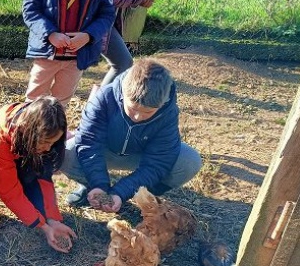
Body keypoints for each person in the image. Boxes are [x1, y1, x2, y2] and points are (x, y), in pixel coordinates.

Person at [60, 58, 202, 213]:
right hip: (106, 151)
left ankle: (143, 195)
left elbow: (159, 161)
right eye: (133, 109)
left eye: (147, 112)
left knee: (189, 161)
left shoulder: (168, 113)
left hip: (140, 155)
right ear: (123, 93)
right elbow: (89, 144)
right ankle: (90, 187)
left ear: (161, 104)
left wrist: (121, 193)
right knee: (65, 152)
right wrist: (99, 184)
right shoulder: (104, 98)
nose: (137, 117)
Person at [0, 96, 78, 254]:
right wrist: (42, 227)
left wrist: (52, 219)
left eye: (52, 143)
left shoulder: (36, 129)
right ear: (30, 132)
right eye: (45, 143)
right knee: (23, 180)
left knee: (32, 177)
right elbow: (9, 190)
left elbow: (44, 177)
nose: (49, 149)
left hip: (15, 155)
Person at [22, 0, 115, 107]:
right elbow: (30, 9)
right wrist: (50, 34)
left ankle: (56, 125)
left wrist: (88, 36)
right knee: (35, 98)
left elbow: (107, 15)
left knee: (61, 102)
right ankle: (30, 124)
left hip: (76, 58)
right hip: (47, 54)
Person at [99, 0, 155, 87]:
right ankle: (101, 101)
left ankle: (101, 101)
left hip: (101, 21)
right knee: (122, 63)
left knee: (123, 63)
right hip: (88, 22)